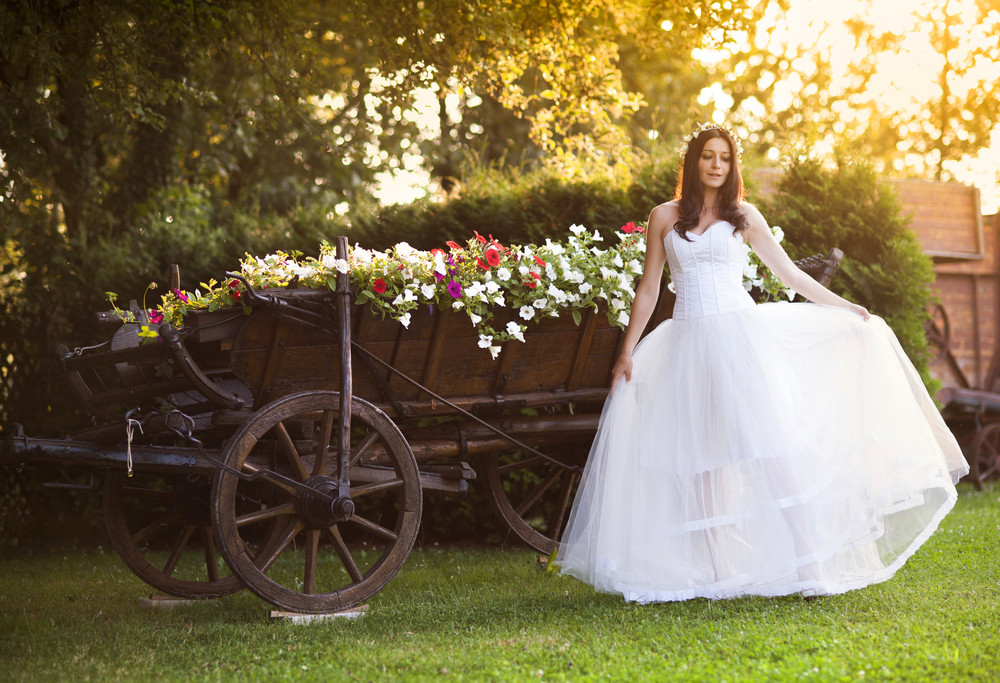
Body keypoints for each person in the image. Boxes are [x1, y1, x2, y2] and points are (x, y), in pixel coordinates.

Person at [555, 123, 969, 602]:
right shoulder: (664, 217)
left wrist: (842, 307)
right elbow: (649, 288)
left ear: (733, 166)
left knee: (770, 446)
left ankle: (810, 563)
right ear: (693, 162)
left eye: (725, 158)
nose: (716, 164)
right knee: (702, 460)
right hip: (687, 345)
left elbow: (789, 273)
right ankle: (719, 570)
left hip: (739, 338)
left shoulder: (744, 215)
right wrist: (627, 350)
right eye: (708, 156)